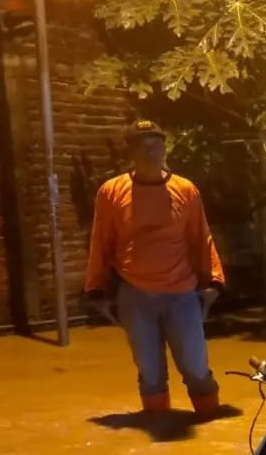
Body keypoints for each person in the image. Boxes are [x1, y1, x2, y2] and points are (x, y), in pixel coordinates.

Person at [84, 120, 226, 417]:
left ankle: (210, 421)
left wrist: (213, 281)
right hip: (134, 295)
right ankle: (159, 427)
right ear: (131, 153)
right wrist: (96, 290)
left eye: (157, 145)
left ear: (165, 148)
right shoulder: (111, 192)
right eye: (143, 147)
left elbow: (201, 237)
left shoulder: (185, 190)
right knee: (150, 374)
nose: (151, 153)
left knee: (196, 368)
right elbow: (101, 241)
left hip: (182, 294)